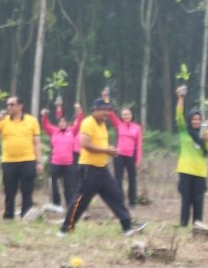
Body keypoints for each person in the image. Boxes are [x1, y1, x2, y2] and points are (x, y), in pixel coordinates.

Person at [59, 99, 144, 236]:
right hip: (88, 169)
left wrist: (109, 150)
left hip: (102, 169)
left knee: (115, 196)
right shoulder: (88, 123)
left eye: (108, 110)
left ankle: (127, 227)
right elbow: (84, 144)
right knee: (81, 201)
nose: (107, 113)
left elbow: (101, 145)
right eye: (104, 110)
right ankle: (65, 229)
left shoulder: (103, 125)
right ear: (95, 110)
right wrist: (106, 151)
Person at [0, 96, 43, 219]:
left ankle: (26, 215)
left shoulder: (31, 120)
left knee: (27, 191)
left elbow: (37, 143)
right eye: (8, 105)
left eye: (12, 105)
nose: (9, 107)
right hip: (8, 161)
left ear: (20, 106)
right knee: (9, 191)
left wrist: (39, 162)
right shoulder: (3, 121)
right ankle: (8, 215)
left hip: (28, 160)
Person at [175, 86, 208, 227]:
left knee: (198, 200)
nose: (196, 121)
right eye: (193, 119)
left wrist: (206, 139)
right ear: (190, 120)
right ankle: (183, 224)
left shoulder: (205, 133)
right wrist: (180, 98)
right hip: (185, 171)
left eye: (198, 119)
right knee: (186, 199)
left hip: (200, 172)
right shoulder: (184, 131)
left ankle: (198, 224)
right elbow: (179, 116)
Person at [101, 92, 143, 208]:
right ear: (121, 116)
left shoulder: (137, 128)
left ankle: (132, 202)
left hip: (131, 156)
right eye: (124, 115)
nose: (126, 116)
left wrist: (138, 160)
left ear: (132, 115)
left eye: (128, 114)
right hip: (118, 156)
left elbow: (139, 145)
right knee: (117, 179)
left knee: (132, 180)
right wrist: (106, 100)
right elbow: (110, 113)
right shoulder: (118, 124)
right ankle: (119, 200)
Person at [40, 104, 83, 208]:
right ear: (58, 123)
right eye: (60, 122)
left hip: (69, 163)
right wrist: (44, 115)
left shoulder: (72, 131)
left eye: (64, 122)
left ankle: (70, 204)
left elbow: (79, 122)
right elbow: (45, 125)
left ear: (67, 123)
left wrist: (79, 111)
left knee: (69, 185)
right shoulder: (53, 131)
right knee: (54, 184)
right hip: (55, 163)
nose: (62, 123)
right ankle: (56, 203)